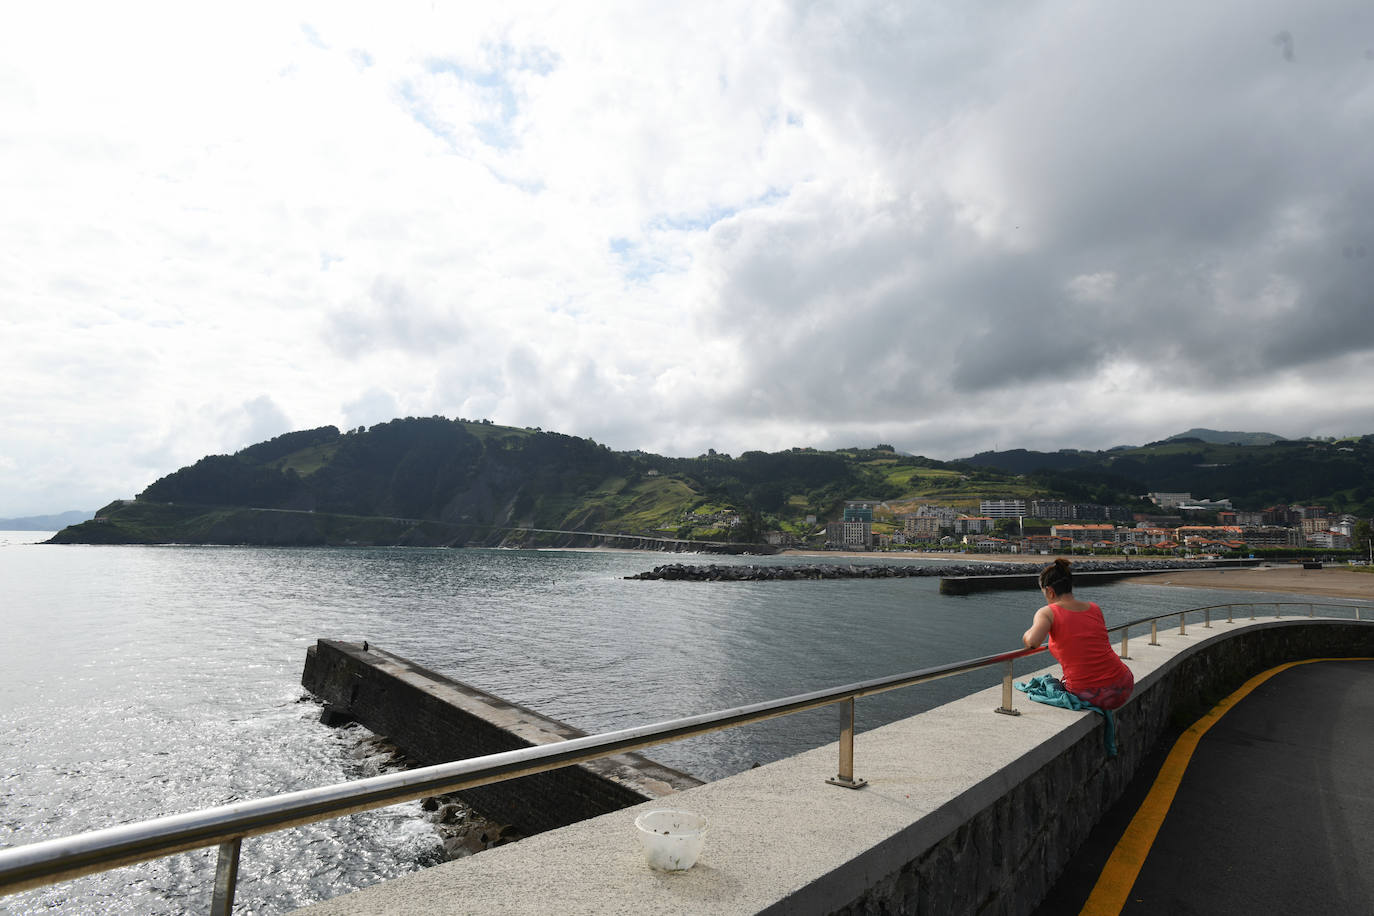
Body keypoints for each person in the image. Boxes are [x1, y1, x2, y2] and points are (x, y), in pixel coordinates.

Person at [1021, 558, 1134, 710]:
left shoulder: (1047, 612)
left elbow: (1033, 642)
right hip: (1124, 684)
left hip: (1090, 693)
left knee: (1048, 684)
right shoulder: (1094, 608)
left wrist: (1027, 634)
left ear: (1050, 591)